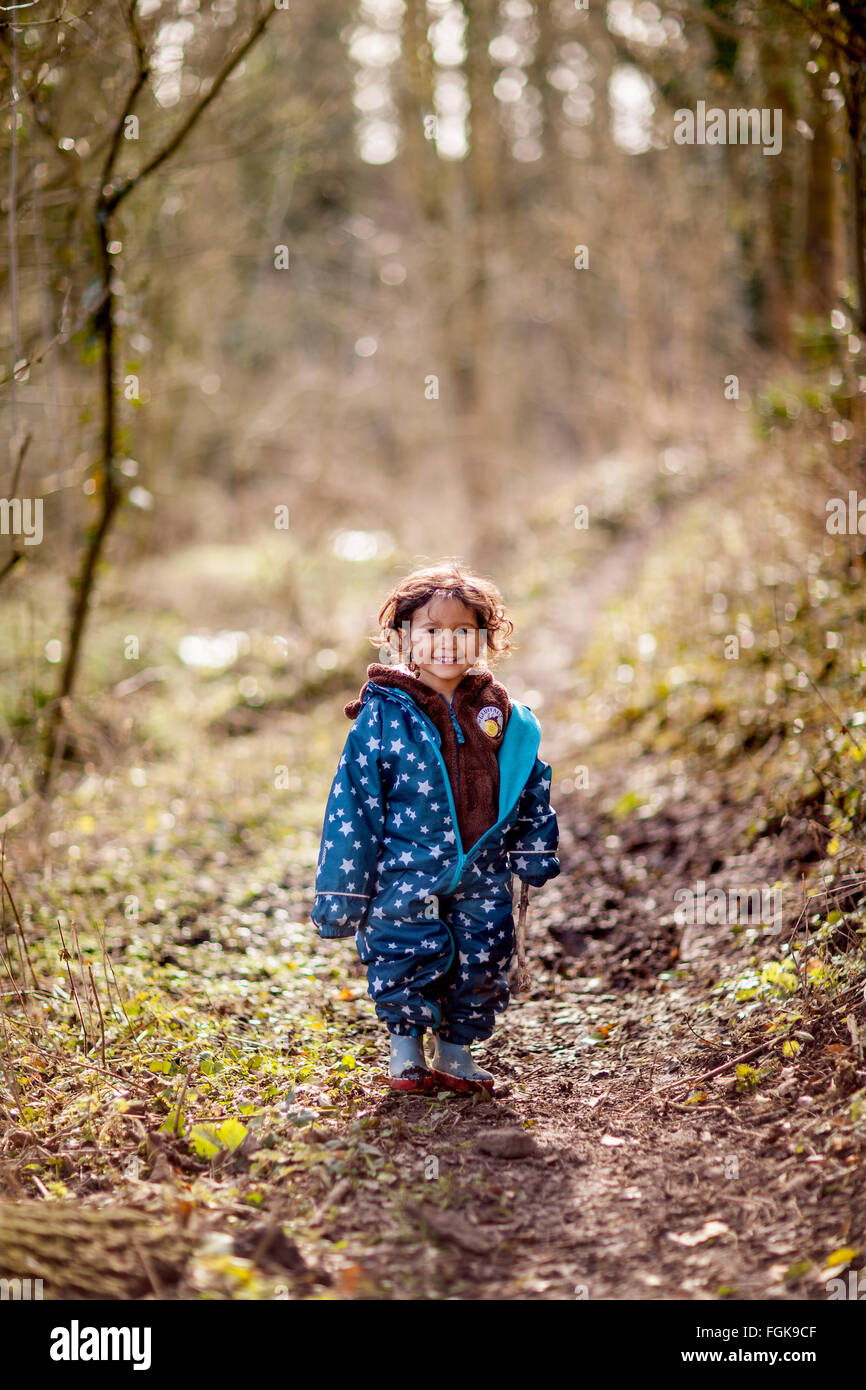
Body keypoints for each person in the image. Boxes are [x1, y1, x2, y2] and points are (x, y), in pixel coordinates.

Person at [311, 559, 561, 1094]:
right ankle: (406, 1050)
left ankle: (455, 1052)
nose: (447, 642)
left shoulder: (499, 713)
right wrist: (343, 887)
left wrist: (534, 847)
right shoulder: (383, 714)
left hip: (482, 869)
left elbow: (529, 779)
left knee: (483, 955)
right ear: (403, 637)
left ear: (484, 639)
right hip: (405, 870)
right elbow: (352, 803)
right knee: (402, 949)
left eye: (463, 630)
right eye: (431, 630)